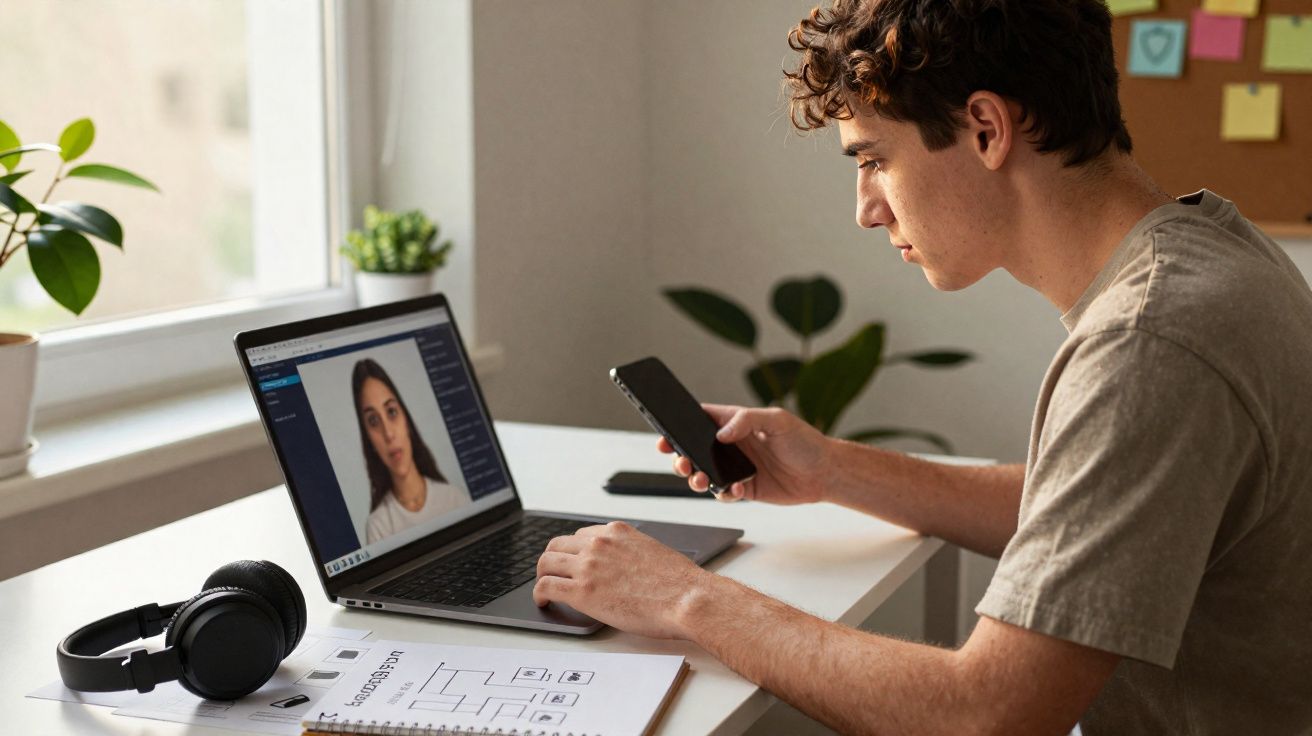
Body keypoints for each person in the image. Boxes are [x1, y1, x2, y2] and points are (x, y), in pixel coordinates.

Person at [532, 1, 1312, 733]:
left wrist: (683, 598)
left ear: (985, 128)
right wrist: (831, 468)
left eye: (874, 159)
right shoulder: (1209, 250)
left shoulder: (1151, 342)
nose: (866, 208)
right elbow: (1094, 515)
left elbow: (989, 714)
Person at [351, 358, 468, 544]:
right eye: (373, 421)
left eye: (391, 412)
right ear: (368, 439)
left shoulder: (454, 498)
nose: (388, 434)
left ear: (406, 420)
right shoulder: (378, 527)